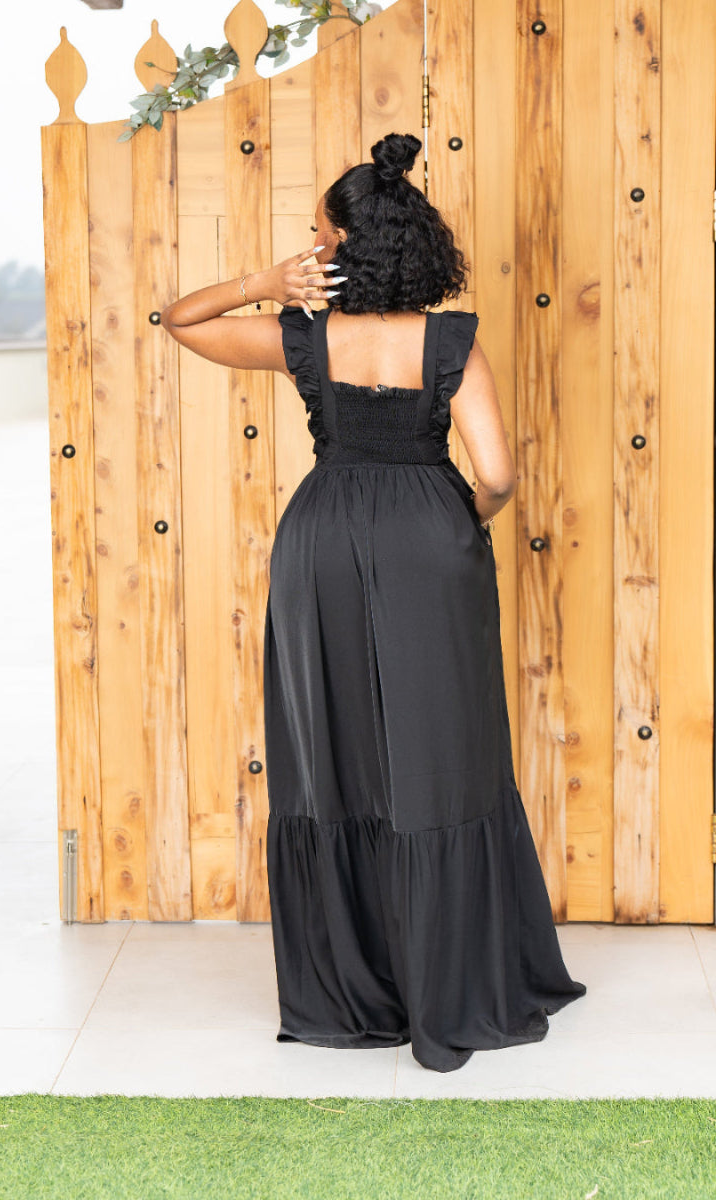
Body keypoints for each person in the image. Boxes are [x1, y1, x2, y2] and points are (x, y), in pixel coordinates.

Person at [160, 131, 586, 1073]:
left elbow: (178, 321)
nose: (311, 250)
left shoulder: (302, 336)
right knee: (446, 756)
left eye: (318, 237)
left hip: (321, 543)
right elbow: (502, 474)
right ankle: (457, 979)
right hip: (432, 538)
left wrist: (265, 281)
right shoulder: (452, 343)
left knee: (334, 755)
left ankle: (354, 986)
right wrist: (454, 517)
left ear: (345, 247)